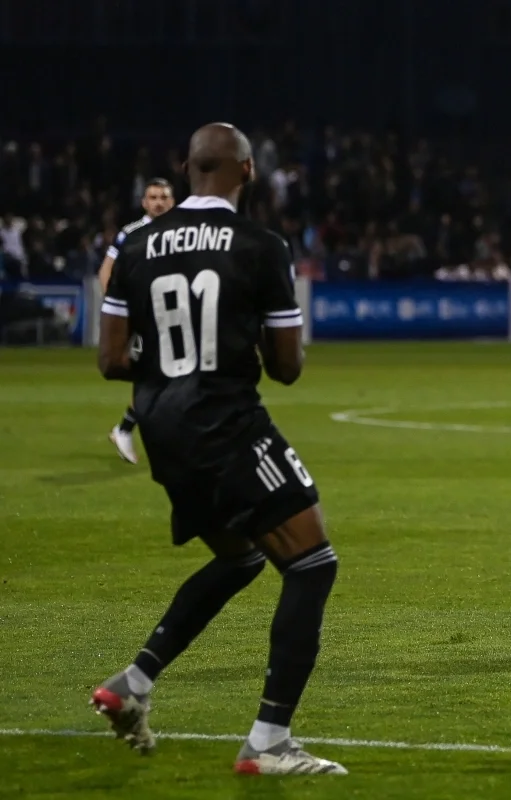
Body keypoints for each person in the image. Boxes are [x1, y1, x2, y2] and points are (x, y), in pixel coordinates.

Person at [92, 122, 345, 776]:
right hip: (226, 424)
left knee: (240, 561)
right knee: (312, 562)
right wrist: (238, 346)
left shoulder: (139, 244)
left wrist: (172, 365)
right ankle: (268, 741)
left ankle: (133, 683)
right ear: (248, 172)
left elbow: (111, 358)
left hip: (162, 428)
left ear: (185, 169)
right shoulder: (260, 245)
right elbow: (286, 367)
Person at [99, 178, 176, 463]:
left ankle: (128, 428)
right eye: (153, 197)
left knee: (160, 376)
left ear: (172, 202)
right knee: (157, 375)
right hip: (143, 318)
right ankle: (127, 428)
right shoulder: (130, 234)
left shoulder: (180, 233)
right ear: (144, 202)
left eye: (164, 197)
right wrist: (118, 313)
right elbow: (106, 272)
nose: (158, 202)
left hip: (169, 316)